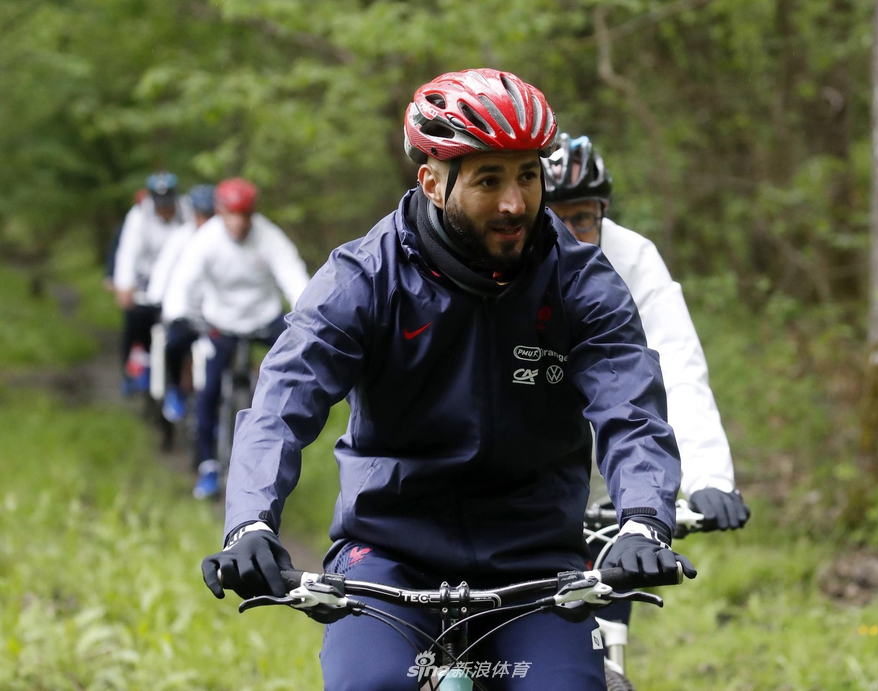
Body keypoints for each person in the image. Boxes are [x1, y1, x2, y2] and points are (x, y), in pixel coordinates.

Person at [201, 68, 696, 690]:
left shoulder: (581, 282)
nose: (516, 203)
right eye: (490, 180)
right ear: (433, 183)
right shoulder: (365, 278)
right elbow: (282, 401)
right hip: (387, 553)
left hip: (535, 558)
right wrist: (251, 522)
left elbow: (631, 409)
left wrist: (644, 519)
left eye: (528, 176)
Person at [541, 133, 750, 532]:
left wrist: (708, 476)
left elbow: (675, 361)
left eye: (582, 219)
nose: (566, 235)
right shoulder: (502, 259)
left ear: (602, 212)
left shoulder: (632, 257)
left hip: (611, 478)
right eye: (551, 217)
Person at [162, 178, 310, 499]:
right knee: (209, 390)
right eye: (232, 214)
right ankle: (207, 466)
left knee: (289, 373)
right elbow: (183, 279)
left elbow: (292, 274)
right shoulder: (206, 240)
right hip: (222, 322)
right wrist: (177, 311)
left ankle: (278, 454)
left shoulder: (269, 236)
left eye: (245, 215)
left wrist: (307, 312)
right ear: (220, 212)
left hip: (263, 318)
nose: (239, 222)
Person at [113, 172, 193, 393]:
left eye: (168, 202)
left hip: (179, 278)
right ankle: (134, 369)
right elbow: (127, 252)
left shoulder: (187, 210)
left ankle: (182, 378)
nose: (164, 208)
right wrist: (124, 285)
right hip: (145, 279)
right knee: (135, 318)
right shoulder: (139, 215)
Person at [146, 184, 216, 422]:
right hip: (185, 311)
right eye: (201, 214)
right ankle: (176, 389)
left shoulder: (222, 238)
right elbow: (164, 270)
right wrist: (158, 300)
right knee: (174, 345)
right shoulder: (180, 237)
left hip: (219, 312)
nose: (205, 220)